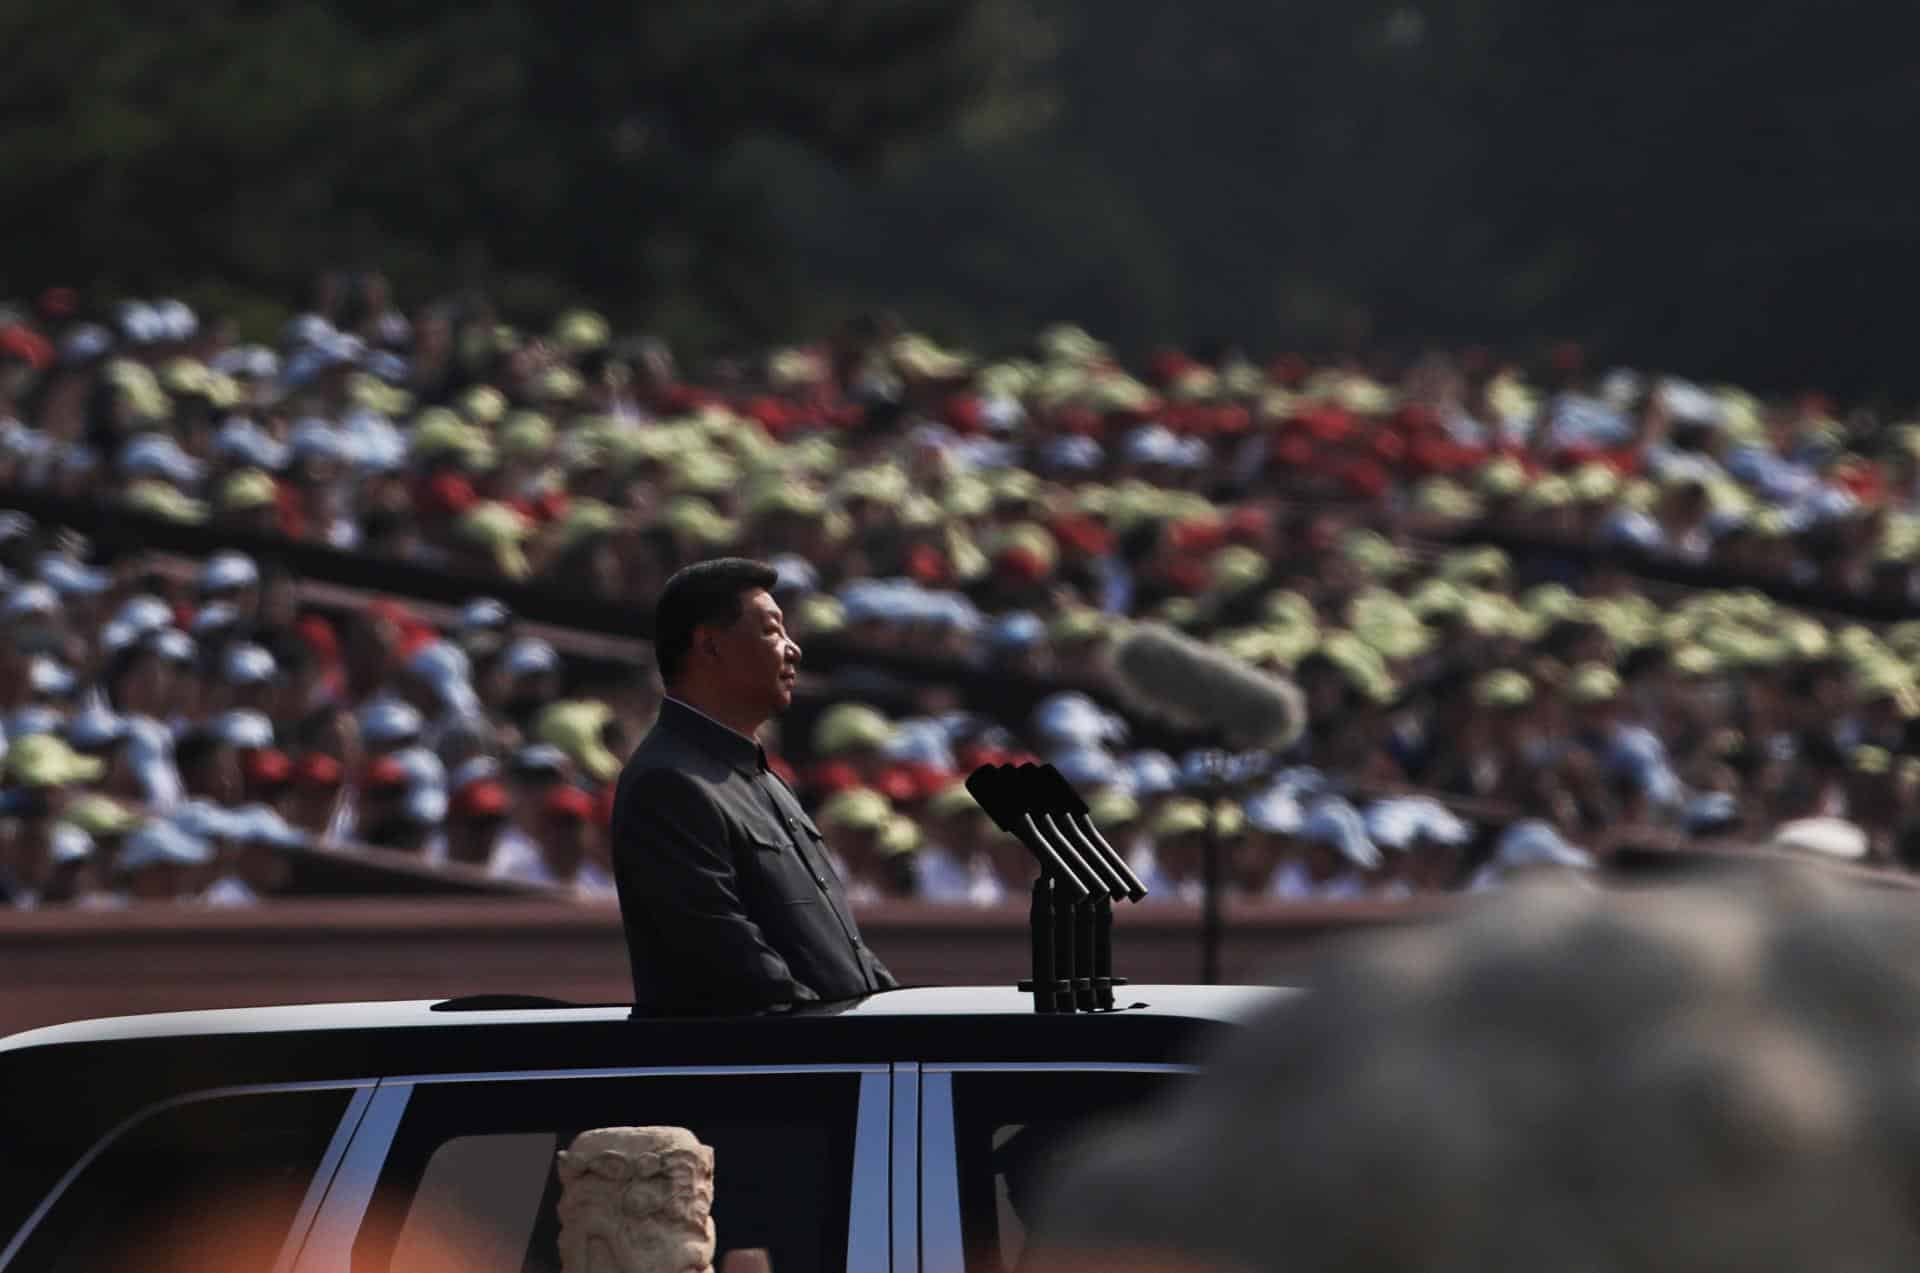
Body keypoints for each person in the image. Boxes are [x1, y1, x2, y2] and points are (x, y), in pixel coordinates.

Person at [611, 558, 897, 1015]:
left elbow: (842, 955)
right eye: (771, 631)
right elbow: (729, 962)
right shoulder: (669, 783)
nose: (793, 649)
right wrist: (845, 1040)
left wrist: (894, 1010)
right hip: (758, 1075)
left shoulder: (763, 777)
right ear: (709, 646)